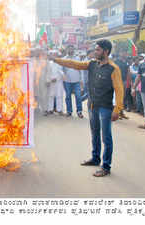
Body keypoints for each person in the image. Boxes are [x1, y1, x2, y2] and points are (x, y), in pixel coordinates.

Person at [53, 39, 124, 177]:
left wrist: (117, 110)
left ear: (106, 51)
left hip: (105, 108)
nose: (95, 52)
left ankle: (106, 166)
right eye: (95, 49)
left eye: (97, 50)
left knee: (106, 138)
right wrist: (56, 60)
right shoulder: (92, 64)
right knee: (95, 134)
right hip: (92, 106)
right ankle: (95, 158)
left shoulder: (113, 69)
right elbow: (74, 64)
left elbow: (119, 90)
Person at [61, 45, 84, 118]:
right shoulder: (64, 59)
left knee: (78, 96)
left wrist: (81, 80)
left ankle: (79, 111)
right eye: (69, 49)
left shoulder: (77, 58)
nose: (70, 50)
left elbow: (81, 69)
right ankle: (69, 111)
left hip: (76, 80)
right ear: (67, 50)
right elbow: (61, 69)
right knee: (68, 96)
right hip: (67, 81)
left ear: (74, 50)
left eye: (72, 49)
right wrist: (63, 75)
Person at [114, 52, 132, 117]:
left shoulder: (126, 62)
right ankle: (116, 112)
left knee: (122, 97)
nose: (125, 54)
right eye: (123, 53)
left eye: (125, 54)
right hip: (117, 81)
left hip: (124, 81)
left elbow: (128, 71)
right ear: (120, 54)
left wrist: (128, 81)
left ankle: (121, 112)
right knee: (116, 97)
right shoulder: (116, 61)